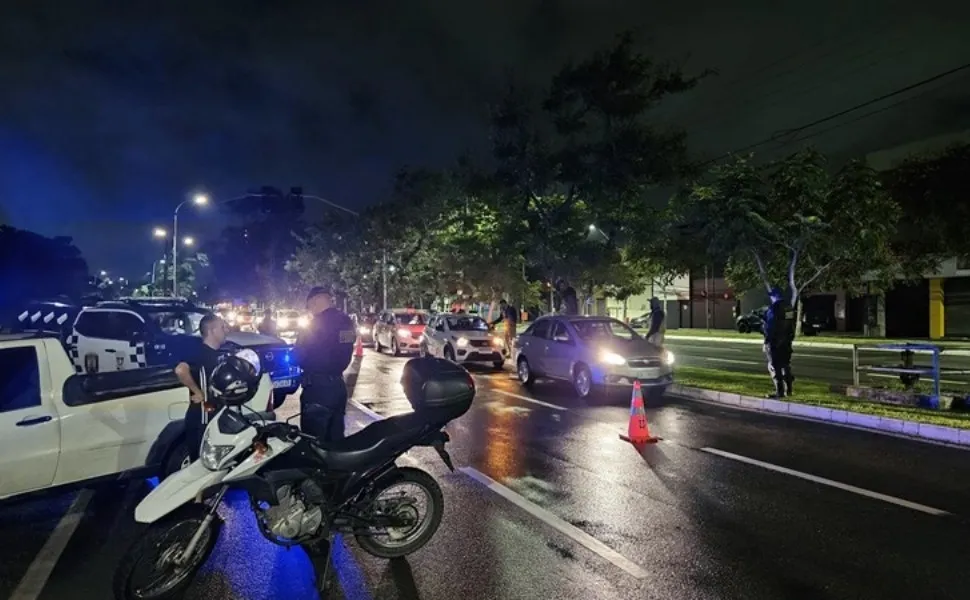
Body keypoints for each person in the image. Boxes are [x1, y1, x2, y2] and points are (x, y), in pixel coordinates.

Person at [295, 286, 356, 442]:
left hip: (317, 389)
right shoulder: (346, 322)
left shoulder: (313, 325)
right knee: (336, 441)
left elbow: (299, 355)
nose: (309, 311)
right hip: (338, 388)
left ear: (315, 302)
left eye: (309, 306)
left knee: (313, 444)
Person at [173, 313, 228, 461]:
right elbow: (180, 370)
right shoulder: (199, 353)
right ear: (211, 330)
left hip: (214, 418)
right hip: (202, 419)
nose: (226, 330)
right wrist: (198, 392)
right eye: (222, 327)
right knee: (200, 465)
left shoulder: (217, 354)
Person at [763, 286, 796, 398]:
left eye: (772, 296)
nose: (771, 298)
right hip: (787, 342)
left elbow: (770, 327)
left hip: (775, 342)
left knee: (774, 366)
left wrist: (767, 341)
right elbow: (792, 326)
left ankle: (780, 391)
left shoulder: (774, 309)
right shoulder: (788, 307)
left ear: (775, 296)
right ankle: (789, 390)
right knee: (786, 365)